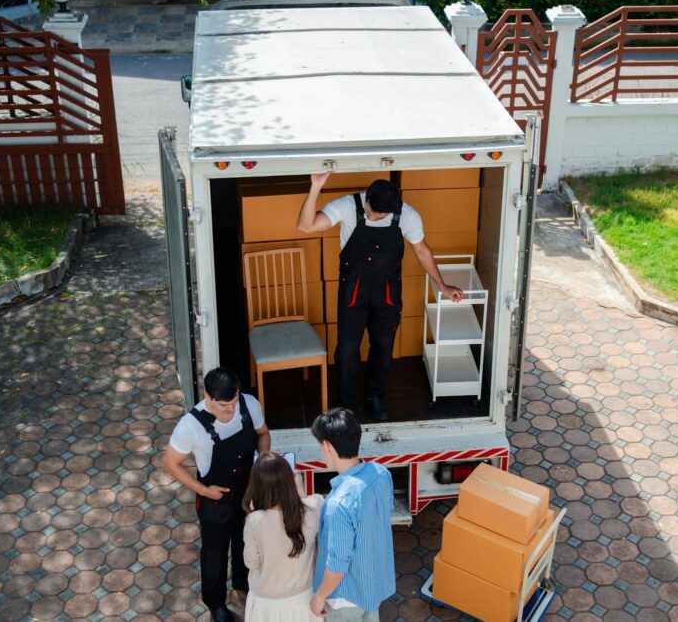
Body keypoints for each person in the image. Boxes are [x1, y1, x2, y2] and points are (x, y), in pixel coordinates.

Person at [296, 173, 465, 421]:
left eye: (379, 216)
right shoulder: (348, 205)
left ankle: (375, 397)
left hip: (387, 293)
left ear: (393, 209)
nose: (372, 218)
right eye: (370, 213)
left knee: (383, 349)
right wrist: (315, 187)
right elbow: (305, 226)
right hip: (353, 291)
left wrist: (442, 285)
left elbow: (422, 251)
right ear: (366, 200)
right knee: (346, 350)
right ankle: (347, 406)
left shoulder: (408, 215)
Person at [163, 367, 271, 622]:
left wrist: (264, 459)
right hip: (215, 497)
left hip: (248, 489)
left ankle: (244, 585)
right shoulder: (191, 425)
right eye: (225, 405)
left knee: (246, 539)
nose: (231, 410)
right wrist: (204, 491)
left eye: (234, 402)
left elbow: (263, 434)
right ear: (208, 396)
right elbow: (170, 464)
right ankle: (215, 604)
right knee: (214, 552)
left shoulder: (249, 405)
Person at [308, 408, 395, 620]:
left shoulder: (338, 504)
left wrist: (319, 597)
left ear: (327, 446)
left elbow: (337, 564)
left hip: (345, 596)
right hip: (373, 584)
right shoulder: (381, 473)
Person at [242, 452, 324, 622]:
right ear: (291, 481)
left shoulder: (253, 521)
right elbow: (310, 503)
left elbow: (251, 563)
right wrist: (301, 492)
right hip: (304, 600)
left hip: (266, 604)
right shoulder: (314, 509)